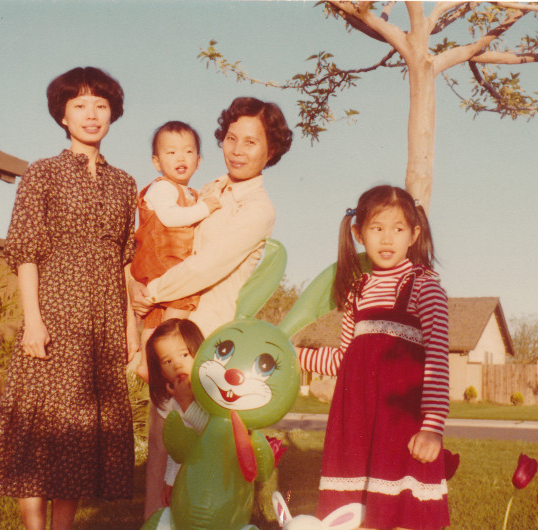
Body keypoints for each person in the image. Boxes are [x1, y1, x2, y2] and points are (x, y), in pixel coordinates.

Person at [0, 67, 138, 530]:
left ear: (113, 114)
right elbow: (25, 249)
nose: (92, 115)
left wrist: (130, 325)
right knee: (39, 427)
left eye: (101, 105)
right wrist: (33, 320)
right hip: (54, 313)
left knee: (78, 432)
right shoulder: (42, 173)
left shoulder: (124, 183)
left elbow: (124, 260)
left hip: (104, 319)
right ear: (63, 116)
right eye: (80, 105)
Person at [128, 96, 293, 519]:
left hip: (208, 337)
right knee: (161, 439)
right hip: (170, 323)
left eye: (251, 142)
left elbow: (206, 265)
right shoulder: (207, 190)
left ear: (270, 150)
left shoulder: (258, 208)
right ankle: (153, 524)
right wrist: (135, 281)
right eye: (231, 138)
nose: (238, 150)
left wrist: (153, 289)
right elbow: (162, 240)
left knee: (195, 449)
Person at [298, 185, 451, 530]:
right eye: (377, 228)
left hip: (401, 422)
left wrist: (432, 427)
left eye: (398, 229)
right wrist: (297, 357)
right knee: (359, 513)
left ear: (413, 235)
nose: (387, 239)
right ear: (358, 233)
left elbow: (438, 361)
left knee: (401, 511)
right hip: (358, 419)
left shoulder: (425, 287)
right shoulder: (358, 291)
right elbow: (345, 359)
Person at [129, 121, 220, 380]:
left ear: (199, 160)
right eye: (171, 153)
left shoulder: (190, 193)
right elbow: (169, 218)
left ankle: (147, 365)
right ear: (157, 162)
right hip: (164, 261)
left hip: (168, 263)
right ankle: (167, 359)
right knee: (177, 315)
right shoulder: (163, 188)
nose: (180, 157)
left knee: (156, 319)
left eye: (188, 152)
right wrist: (206, 208)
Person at [144, 318, 209, 507]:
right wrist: (170, 480)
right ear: (162, 372)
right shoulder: (171, 401)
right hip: (190, 478)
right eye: (168, 361)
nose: (177, 365)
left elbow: (211, 431)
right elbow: (177, 445)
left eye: (184, 355)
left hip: (216, 473)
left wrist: (187, 403)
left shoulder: (210, 392)